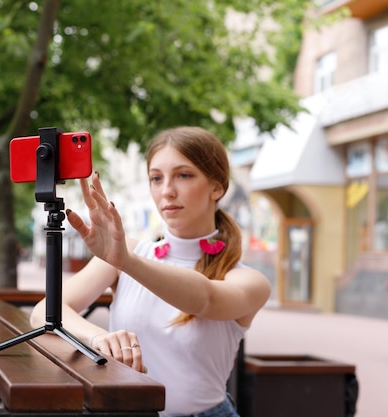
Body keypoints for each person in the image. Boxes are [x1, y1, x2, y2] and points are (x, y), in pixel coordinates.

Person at [30, 126, 271, 417]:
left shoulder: (247, 279)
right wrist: (96, 338)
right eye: (156, 178)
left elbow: (205, 299)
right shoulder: (127, 252)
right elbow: (44, 312)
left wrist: (127, 261)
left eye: (184, 175)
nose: (167, 191)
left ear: (217, 187)